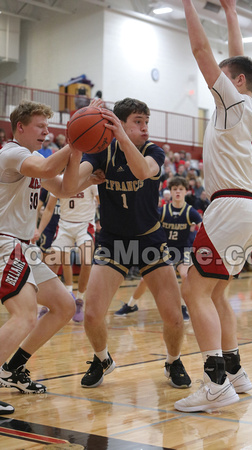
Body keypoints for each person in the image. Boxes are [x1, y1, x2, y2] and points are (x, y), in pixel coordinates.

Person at [175, 0, 252, 413]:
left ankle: (215, 385)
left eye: (225, 78)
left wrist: (188, 4)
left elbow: (201, 52)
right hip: (250, 207)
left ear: (238, 82)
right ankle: (235, 372)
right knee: (217, 294)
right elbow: (236, 57)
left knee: (193, 288)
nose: (218, 83)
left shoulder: (231, 100)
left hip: (229, 205)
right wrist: (230, 11)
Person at [67, 97, 192, 390]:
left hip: (150, 238)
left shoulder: (153, 151)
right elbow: (70, 187)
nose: (145, 128)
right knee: (94, 314)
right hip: (113, 241)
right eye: (138, 122)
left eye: (146, 122)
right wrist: (76, 150)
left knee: (174, 317)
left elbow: (142, 171)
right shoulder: (101, 153)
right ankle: (102, 359)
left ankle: (173, 361)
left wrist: (123, 137)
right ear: (119, 123)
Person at [0, 100, 88, 414]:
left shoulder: (35, 157)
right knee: (23, 315)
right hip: (5, 244)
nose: (46, 132)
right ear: (19, 128)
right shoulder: (11, 153)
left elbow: (65, 189)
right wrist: (76, 140)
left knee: (64, 306)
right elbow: (47, 168)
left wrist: (78, 155)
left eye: (48, 127)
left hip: (25, 247)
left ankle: (12, 369)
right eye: (40, 126)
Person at [115, 176, 202, 321]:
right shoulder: (163, 210)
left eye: (181, 189)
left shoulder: (190, 211)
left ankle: (183, 307)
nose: (178, 192)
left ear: (186, 191)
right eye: (175, 189)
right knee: (144, 280)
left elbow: (203, 227)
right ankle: (131, 305)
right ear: (171, 191)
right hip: (164, 249)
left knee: (185, 276)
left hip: (182, 250)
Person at [34, 184, 99, 323]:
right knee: (52, 264)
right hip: (64, 226)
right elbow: (49, 209)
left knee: (86, 261)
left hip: (85, 225)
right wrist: (39, 231)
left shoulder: (90, 181)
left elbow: (103, 204)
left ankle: (79, 300)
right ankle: (48, 304)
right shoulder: (60, 181)